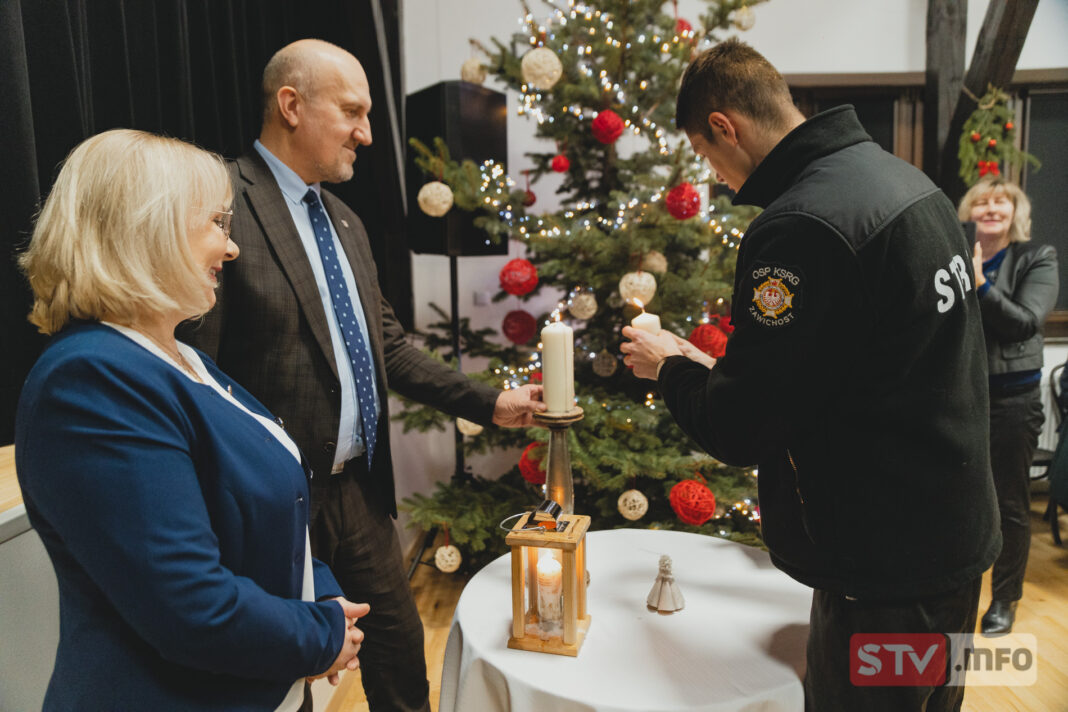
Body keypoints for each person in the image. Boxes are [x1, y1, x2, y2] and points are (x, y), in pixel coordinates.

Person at [621, 39, 999, 711]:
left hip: (882, 569)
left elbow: (741, 428)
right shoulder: (904, 182)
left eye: (706, 156)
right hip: (952, 536)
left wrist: (669, 368)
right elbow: (853, 365)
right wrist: (716, 368)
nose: (716, 177)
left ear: (725, 127)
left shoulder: (801, 226)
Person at [179, 39, 545, 712]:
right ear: (291, 105)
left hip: (361, 490)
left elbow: (388, 348)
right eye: (352, 111)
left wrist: (492, 402)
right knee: (285, 680)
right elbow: (193, 370)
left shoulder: (345, 221)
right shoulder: (220, 202)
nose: (367, 133)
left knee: (400, 655)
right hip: (272, 500)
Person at [15, 129, 369, 711]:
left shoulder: (181, 357)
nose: (232, 249)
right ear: (148, 229)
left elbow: (260, 516)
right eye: (217, 224)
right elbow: (191, 607)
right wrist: (322, 635)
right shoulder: (91, 381)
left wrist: (322, 595)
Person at [958, 177, 1057, 634]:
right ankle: (957, 590)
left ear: (1016, 212)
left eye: (1002, 201)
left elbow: (1024, 323)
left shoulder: (1037, 258)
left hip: (1013, 400)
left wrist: (980, 284)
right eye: (983, 201)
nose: (992, 208)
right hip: (960, 396)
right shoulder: (952, 256)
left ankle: (1005, 598)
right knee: (959, 499)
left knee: (1009, 504)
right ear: (969, 212)